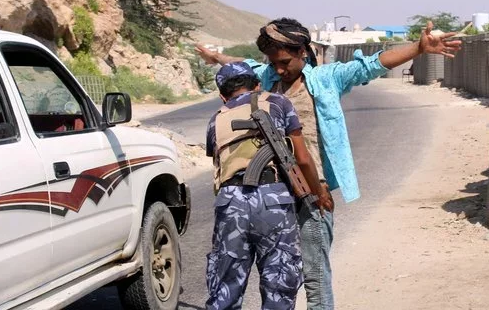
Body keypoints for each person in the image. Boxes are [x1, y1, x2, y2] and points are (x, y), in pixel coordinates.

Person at [196, 19, 461, 310]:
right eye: (273, 62)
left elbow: (370, 65)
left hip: (312, 193)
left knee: (314, 275)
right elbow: (242, 65)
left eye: (284, 62)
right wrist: (216, 58)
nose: (279, 69)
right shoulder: (267, 77)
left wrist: (419, 48)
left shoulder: (326, 79)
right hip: (272, 194)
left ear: (302, 52)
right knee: (277, 276)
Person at [205, 62, 332, 310]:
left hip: (230, 201)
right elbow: (303, 158)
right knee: (279, 285)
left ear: (222, 95)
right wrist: (318, 192)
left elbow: (219, 162)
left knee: (225, 288)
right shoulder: (279, 103)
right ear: (257, 85)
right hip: (274, 199)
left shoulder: (215, 120)